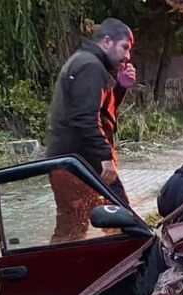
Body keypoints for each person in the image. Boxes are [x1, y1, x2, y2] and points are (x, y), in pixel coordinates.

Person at [44, 18, 137, 244]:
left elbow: (102, 112)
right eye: (125, 47)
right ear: (107, 41)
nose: (128, 56)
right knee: (122, 222)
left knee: (72, 227)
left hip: (74, 162)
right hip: (80, 164)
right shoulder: (90, 66)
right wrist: (105, 158)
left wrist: (121, 87)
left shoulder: (89, 64)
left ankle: (62, 274)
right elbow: (84, 118)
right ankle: (129, 271)